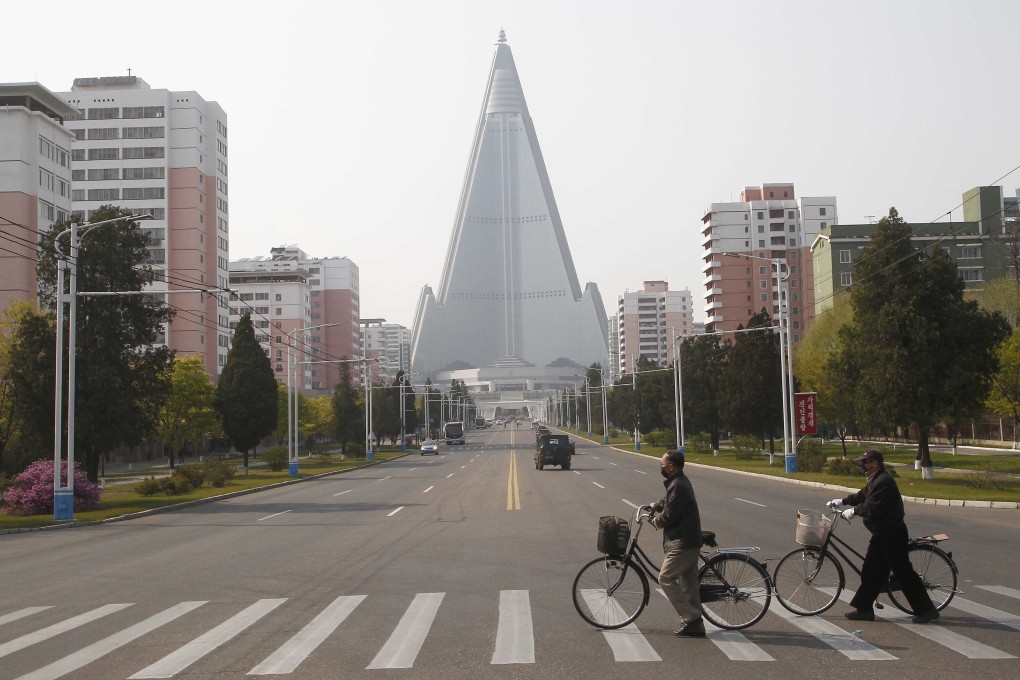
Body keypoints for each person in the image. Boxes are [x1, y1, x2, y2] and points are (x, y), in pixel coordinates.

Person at [829, 449, 940, 624]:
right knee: (871, 571)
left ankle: (927, 610)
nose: (862, 466)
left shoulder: (884, 482)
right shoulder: (875, 480)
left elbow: (872, 507)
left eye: (864, 462)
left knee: (903, 573)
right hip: (881, 534)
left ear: (874, 463)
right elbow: (861, 496)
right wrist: (842, 501)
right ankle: (864, 609)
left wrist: (854, 511)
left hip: (892, 535)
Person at [650, 449, 705, 637]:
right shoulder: (677, 482)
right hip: (686, 540)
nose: (661, 467)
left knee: (665, 577)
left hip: (684, 542)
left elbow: (670, 514)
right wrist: (655, 506)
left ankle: (691, 617)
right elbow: (668, 501)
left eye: (662, 465)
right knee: (689, 583)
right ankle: (696, 625)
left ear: (671, 467)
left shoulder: (679, 485)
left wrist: (656, 521)